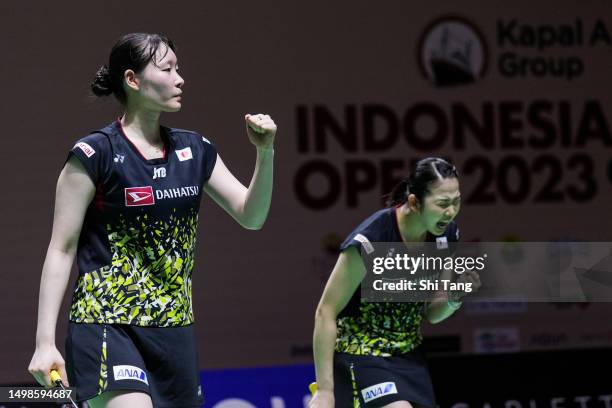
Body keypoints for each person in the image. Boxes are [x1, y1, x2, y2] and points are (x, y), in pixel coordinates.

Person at [27, 33, 276, 408]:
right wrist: (44, 343)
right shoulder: (94, 154)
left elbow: (251, 216)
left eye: (178, 68)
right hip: (107, 322)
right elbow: (61, 249)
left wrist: (265, 153)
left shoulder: (196, 150)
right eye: (168, 69)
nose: (180, 78)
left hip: (175, 329)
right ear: (133, 80)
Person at [309, 157, 480, 408]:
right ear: (414, 202)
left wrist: (454, 297)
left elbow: (432, 313)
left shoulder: (446, 236)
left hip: (409, 357)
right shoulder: (372, 240)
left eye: (456, 201)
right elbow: (326, 312)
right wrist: (325, 390)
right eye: (443, 203)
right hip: (362, 354)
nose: (451, 211)